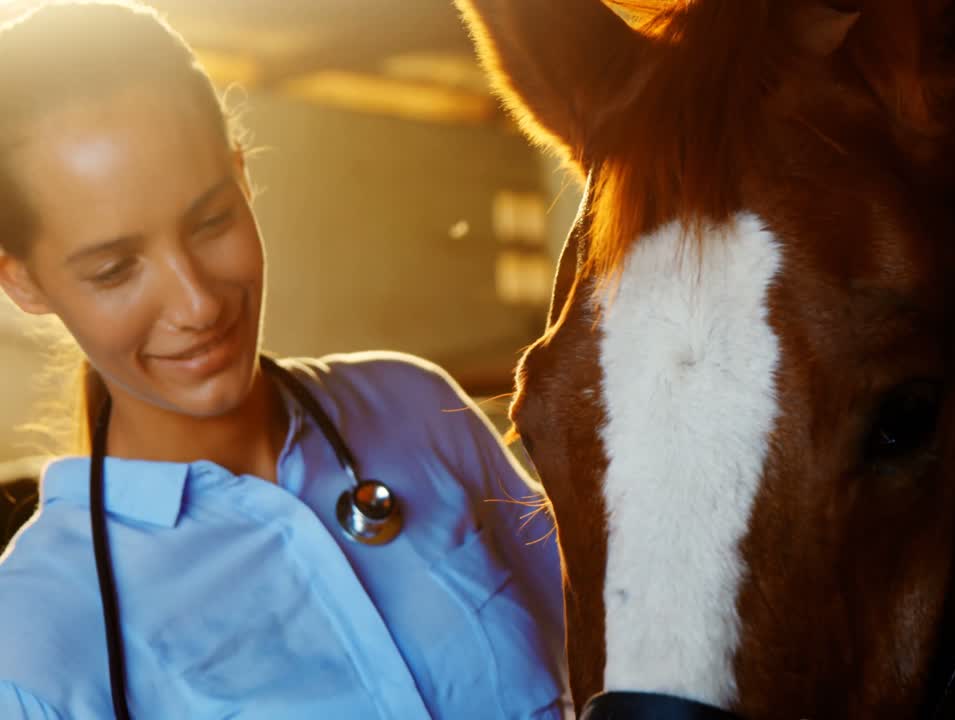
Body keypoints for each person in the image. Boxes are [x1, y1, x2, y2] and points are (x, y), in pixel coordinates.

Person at [0, 2, 570, 717]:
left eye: (211, 222)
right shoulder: (30, 648)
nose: (198, 302)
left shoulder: (419, 410)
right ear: (21, 281)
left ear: (243, 178)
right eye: (115, 269)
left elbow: (614, 661)